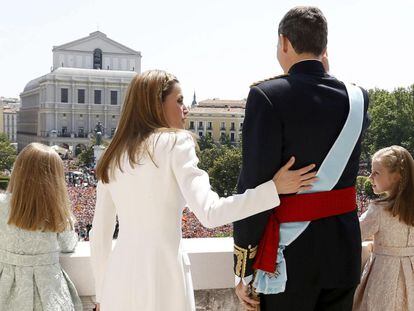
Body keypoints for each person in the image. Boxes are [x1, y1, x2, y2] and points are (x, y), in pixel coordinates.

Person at [89, 69, 318, 311]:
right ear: (156, 105)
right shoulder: (176, 143)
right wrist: (273, 189)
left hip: (118, 281)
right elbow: (210, 213)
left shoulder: (113, 155)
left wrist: (102, 293)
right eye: (179, 101)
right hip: (164, 278)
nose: (185, 109)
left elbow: (99, 235)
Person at [233, 6, 370, 311]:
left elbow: (252, 186)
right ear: (324, 47)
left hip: (289, 259)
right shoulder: (358, 97)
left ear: (284, 42)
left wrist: (244, 265)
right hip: (342, 252)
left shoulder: (266, 96)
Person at [0, 143, 82, 310]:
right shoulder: (58, 211)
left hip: (6, 286)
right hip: (48, 290)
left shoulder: (2, 205)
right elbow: (69, 245)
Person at [353, 146, 414, 311]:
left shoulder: (379, 210)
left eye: (376, 173)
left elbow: (353, 236)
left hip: (384, 276)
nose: (370, 177)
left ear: (396, 177)